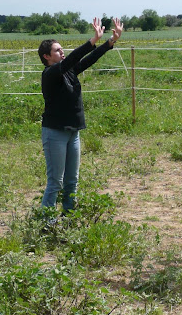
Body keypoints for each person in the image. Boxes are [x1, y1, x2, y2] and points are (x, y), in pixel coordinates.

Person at [37, 16, 123, 215]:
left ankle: (69, 218)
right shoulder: (50, 74)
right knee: (55, 182)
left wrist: (110, 42)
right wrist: (92, 41)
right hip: (55, 132)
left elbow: (88, 60)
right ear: (46, 57)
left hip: (72, 132)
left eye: (61, 49)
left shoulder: (68, 72)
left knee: (71, 181)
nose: (62, 52)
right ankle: (46, 222)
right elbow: (76, 57)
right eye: (57, 51)